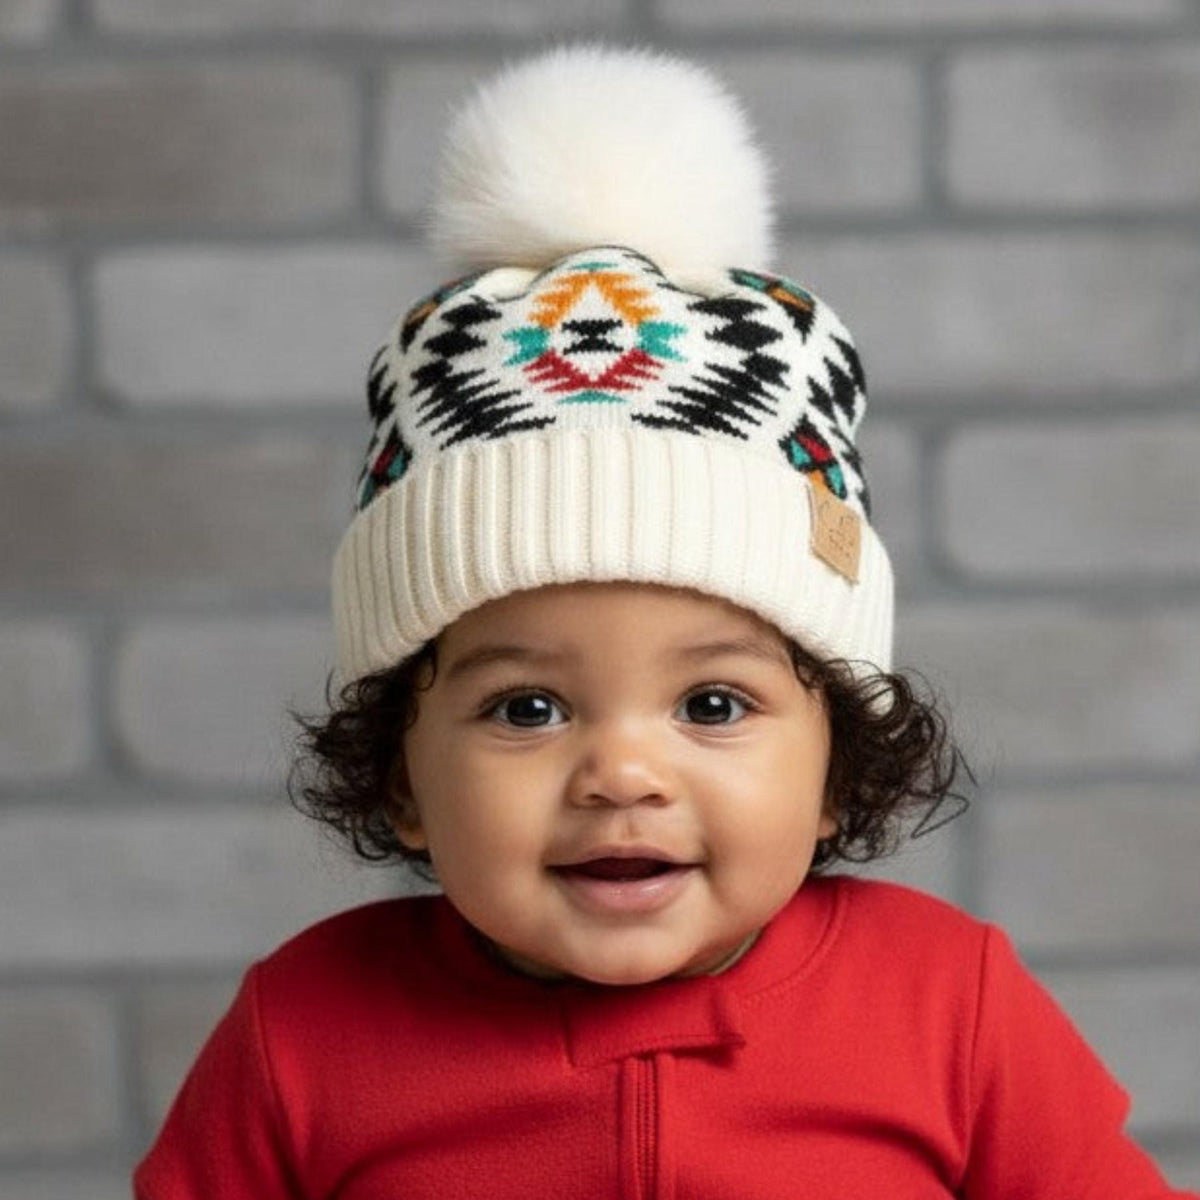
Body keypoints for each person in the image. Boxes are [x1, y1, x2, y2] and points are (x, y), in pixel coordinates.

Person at [133, 44, 1195, 1199]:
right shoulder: (302, 1034)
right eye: (526, 707)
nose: (622, 773)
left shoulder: (952, 1006)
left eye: (714, 703)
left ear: (839, 763)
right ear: (400, 780)